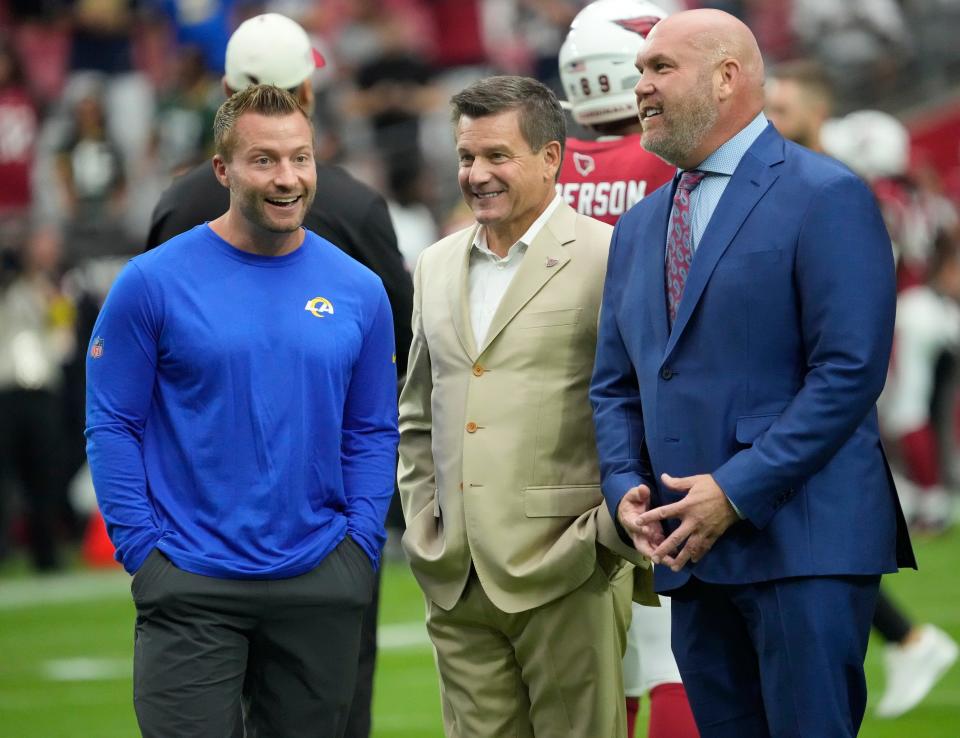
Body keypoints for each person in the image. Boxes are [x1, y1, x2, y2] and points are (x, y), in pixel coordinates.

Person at [590, 9, 915, 738]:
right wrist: (622, 489)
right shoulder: (642, 224)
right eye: (640, 70)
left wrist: (734, 491)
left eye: (658, 68)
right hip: (688, 552)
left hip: (802, 543)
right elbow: (616, 381)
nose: (638, 86)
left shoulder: (826, 194)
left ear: (727, 76)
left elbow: (848, 372)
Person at [85, 84, 398, 737]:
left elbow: (371, 429)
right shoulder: (150, 282)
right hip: (190, 584)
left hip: (319, 579)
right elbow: (112, 423)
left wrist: (360, 542)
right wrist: (144, 550)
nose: (287, 178)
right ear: (222, 170)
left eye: (300, 158)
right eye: (264, 160)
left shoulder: (360, 291)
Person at [397, 74, 655, 738]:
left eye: (496, 156)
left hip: (570, 568)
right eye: (466, 157)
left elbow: (642, 401)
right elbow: (419, 412)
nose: (476, 173)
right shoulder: (433, 264)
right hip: (456, 577)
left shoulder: (610, 253)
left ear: (551, 158)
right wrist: (426, 526)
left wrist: (607, 536)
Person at [768, 80, 960, 717]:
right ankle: (905, 637)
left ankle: (901, 636)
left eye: (782, 106)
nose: (768, 118)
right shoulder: (833, 181)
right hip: (829, 359)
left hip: (836, 362)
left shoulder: (836, 186)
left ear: (822, 112)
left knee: (811, 513)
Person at [556, 3, 698, 738]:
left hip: (563, 421)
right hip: (649, 413)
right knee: (668, 639)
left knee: (603, 647)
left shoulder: (546, 164)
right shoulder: (666, 164)